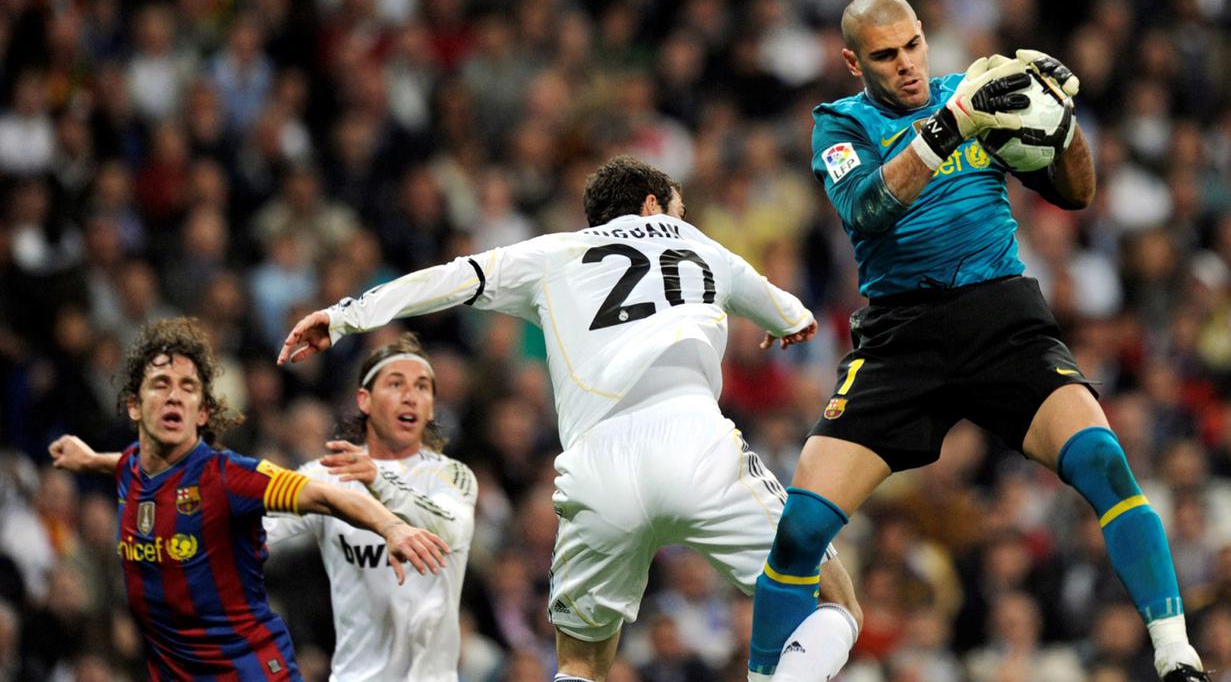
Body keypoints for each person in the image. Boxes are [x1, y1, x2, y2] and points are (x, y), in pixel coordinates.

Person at [747, 0, 1209, 682]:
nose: (904, 65)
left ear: (924, 37)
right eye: (883, 55)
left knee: (1104, 463)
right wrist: (948, 124)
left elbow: (1076, 192)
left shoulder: (978, 92)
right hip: (900, 335)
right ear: (851, 61)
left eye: (911, 46)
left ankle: (1176, 654)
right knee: (802, 528)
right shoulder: (839, 124)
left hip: (1000, 317)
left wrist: (1059, 122)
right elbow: (868, 209)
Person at [278, 155, 863, 682]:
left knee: (581, 663)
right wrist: (788, 323)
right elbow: (794, 314)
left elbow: (451, 278)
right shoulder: (705, 246)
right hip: (697, 446)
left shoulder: (553, 253)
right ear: (655, 205)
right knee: (835, 603)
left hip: (596, 467)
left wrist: (346, 315)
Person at [47, 317, 449, 680]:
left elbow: (324, 496)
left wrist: (391, 526)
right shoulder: (132, 467)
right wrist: (88, 459)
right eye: (160, 385)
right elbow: (129, 464)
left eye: (188, 388)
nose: (175, 397)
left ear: (202, 413)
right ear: (134, 406)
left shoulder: (228, 477)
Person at [263, 332, 477, 681]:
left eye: (422, 387)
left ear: (432, 406)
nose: (410, 396)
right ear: (364, 399)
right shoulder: (328, 474)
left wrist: (379, 481)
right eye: (395, 384)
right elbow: (260, 534)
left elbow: (451, 527)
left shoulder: (452, 475)